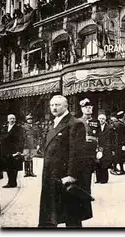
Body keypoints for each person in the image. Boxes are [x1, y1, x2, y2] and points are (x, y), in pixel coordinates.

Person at [38, 95, 92, 227]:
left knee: (71, 217)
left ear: (66, 106)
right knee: (51, 213)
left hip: (65, 177)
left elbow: (77, 152)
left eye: (57, 105)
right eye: (51, 105)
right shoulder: (55, 122)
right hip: (52, 175)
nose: (54, 108)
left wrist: (71, 174)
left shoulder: (75, 123)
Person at [78, 99, 100, 197]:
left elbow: (100, 137)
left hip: (92, 151)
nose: (88, 110)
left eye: (89, 108)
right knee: (80, 172)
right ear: (82, 109)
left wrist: (100, 150)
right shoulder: (78, 121)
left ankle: (88, 192)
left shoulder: (96, 122)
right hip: (81, 150)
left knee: (89, 172)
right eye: (85, 108)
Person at [0, 114, 25, 188]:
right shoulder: (4, 128)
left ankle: (13, 182)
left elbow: (21, 140)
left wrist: (19, 150)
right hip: (6, 150)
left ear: (15, 119)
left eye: (13, 118)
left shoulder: (19, 128)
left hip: (14, 150)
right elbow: (1, 137)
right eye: (10, 119)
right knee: (8, 166)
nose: (12, 120)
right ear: (7, 120)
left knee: (14, 167)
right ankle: (10, 182)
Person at [95, 114, 114, 184]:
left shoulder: (109, 127)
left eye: (103, 119)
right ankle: (98, 178)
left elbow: (113, 139)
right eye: (100, 118)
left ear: (105, 119)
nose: (101, 120)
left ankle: (104, 179)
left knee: (104, 163)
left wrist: (112, 149)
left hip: (106, 147)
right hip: (98, 147)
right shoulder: (96, 128)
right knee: (97, 163)